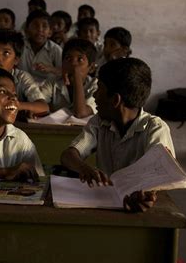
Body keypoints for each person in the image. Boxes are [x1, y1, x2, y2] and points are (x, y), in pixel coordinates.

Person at [60, 58, 175, 212]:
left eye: (99, 89)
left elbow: (161, 175)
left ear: (115, 100)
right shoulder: (99, 122)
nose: (94, 95)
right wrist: (83, 167)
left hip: (137, 208)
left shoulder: (155, 129)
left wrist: (145, 195)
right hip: (104, 203)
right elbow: (68, 155)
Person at [40, 39, 98, 118]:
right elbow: (39, 104)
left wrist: (76, 73)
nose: (73, 64)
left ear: (91, 68)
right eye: (68, 59)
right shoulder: (53, 81)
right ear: (62, 64)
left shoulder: (95, 85)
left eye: (80, 60)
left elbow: (81, 113)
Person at [18, 9, 62, 83]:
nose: (40, 29)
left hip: (46, 88)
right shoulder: (20, 46)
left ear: (50, 32)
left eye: (44, 26)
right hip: (21, 85)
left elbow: (65, 70)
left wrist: (51, 69)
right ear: (27, 30)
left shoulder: (55, 49)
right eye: (35, 26)